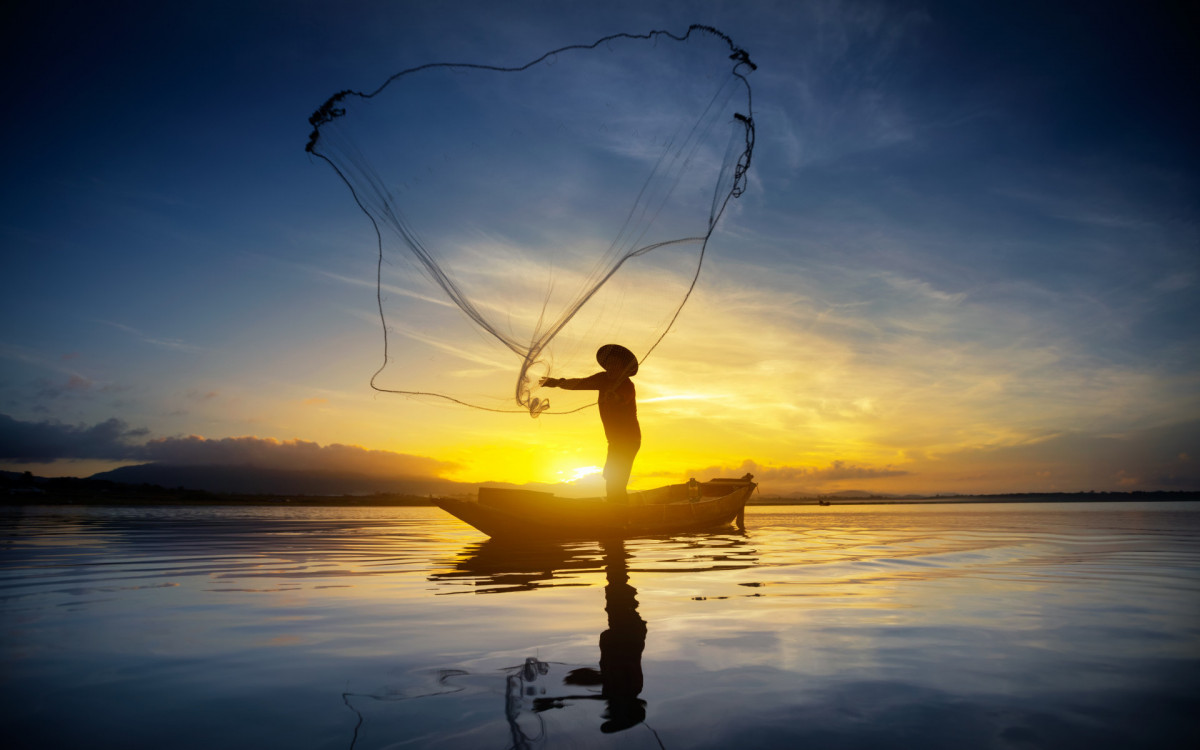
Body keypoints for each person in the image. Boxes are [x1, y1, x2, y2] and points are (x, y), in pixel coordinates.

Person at [540, 344, 641, 504]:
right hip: (614, 441)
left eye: (615, 364)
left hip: (629, 440)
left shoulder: (627, 384)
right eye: (609, 363)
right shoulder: (602, 379)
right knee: (611, 478)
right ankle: (616, 512)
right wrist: (556, 382)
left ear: (622, 367)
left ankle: (622, 518)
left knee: (617, 481)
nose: (611, 367)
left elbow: (623, 399)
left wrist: (614, 397)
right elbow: (580, 383)